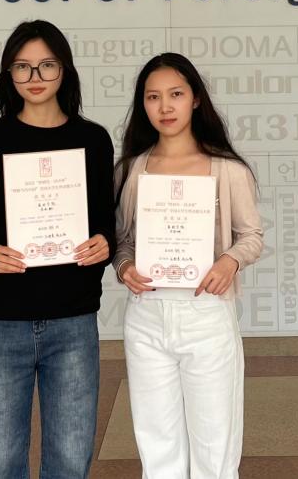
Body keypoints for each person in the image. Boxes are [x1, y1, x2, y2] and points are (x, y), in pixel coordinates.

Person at [0, 19, 116, 479]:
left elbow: (108, 218)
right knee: (0, 460)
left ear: (65, 70)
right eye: (22, 67)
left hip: (73, 319)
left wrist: (104, 242)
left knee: (70, 458)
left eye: (46, 65)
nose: (35, 77)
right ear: (9, 74)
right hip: (1, 321)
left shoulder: (93, 140)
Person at [114, 52, 264, 479]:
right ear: (143, 104)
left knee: (215, 442)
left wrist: (230, 261)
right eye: (153, 97)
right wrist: (125, 268)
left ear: (195, 99)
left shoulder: (228, 169)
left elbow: (252, 236)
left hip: (206, 314)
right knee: (156, 440)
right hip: (147, 316)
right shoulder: (132, 169)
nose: (165, 107)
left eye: (176, 94)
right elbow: (122, 241)